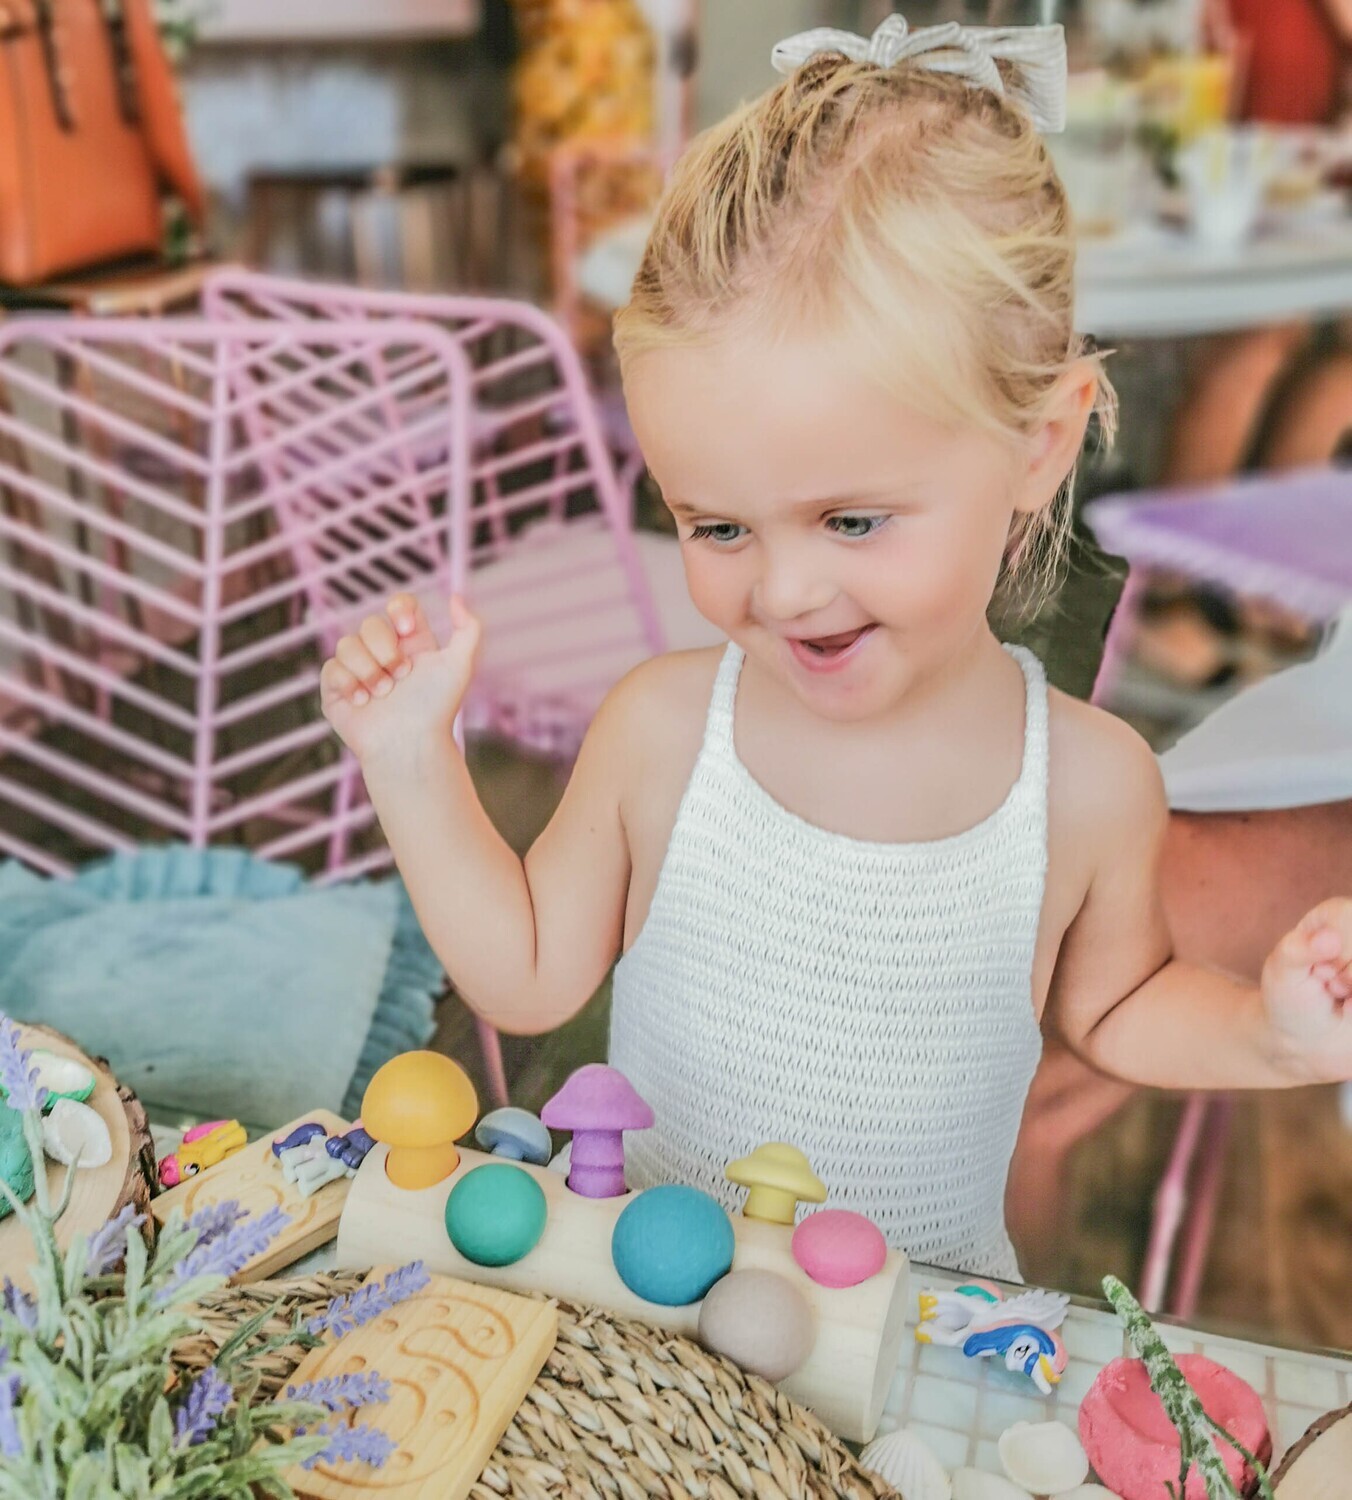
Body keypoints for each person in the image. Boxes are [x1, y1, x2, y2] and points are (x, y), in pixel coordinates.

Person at [318, 14, 1352, 1282]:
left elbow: (1119, 1006)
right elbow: (527, 978)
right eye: (715, 525)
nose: (786, 589)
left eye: (851, 519)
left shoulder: (1086, 782)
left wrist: (1267, 1033)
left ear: (1038, 444)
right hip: (656, 1328)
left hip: (915, 1338)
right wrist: (409, 760)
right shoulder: (659, 729)